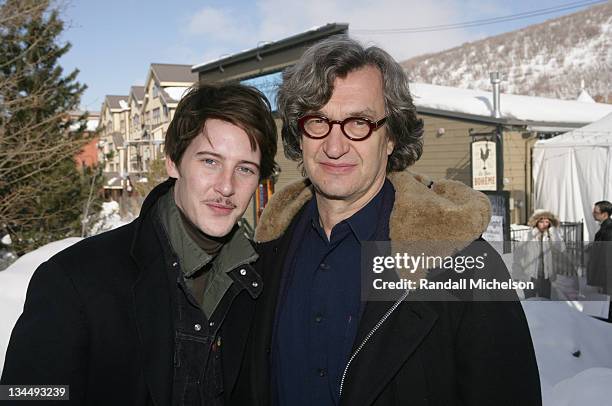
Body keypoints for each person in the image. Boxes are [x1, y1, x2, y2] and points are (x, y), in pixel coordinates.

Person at [231, 36, 541, 406]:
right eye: (319, 121)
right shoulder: (265, 252)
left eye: (359, 123)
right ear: (300, 132)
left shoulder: (461, 264)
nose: (334, 146)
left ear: (391, 136)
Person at [1, 83, 277, 405]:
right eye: (210, 162)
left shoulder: (260, 283)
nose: (226, 186)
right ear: (173, 162)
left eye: (244, 169)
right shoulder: (75, 280)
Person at [514, 210, 566, 299]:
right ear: (536, 222)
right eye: (541, 222)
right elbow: (518, 256)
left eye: (547, 222)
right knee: (530, 303)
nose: (544, 224)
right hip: (530, 276)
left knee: (544, 303)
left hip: (546, 277)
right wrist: (517, 274)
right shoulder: (527, 236)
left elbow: (561, 248)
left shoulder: (551, 236)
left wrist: (553, 231)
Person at [587, 200, 612, 319]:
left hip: (606, 277)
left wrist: (603, 280)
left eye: (596, 212)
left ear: (604, 214)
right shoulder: (604, 229)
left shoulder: (608, 231)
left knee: (605, 310)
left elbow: (607, 258)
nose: (593, 213)